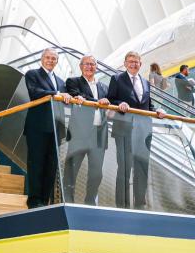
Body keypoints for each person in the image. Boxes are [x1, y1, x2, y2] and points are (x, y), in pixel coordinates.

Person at [107, 51, 166, 209]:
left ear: (140, 64)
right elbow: (111, 98)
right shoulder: (116, 78)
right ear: (125, 63)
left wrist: (157, 111)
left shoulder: (145, 82)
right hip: (124, 128)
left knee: (142, 166)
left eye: (136, 62)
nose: (133, 64)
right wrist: (120, 104)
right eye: (130, 61)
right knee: (125, 168)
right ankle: (122, 204)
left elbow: (147, 105)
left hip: (144, 130)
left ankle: (140, 203)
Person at [23, 48, 70, 208]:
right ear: (42, 59)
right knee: (36, 163)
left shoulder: (62, 82)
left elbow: (66, 99)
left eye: (54, 59)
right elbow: (35, 92)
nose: (51, 60)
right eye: (48, 57)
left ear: (57, 62)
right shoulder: (32, 74)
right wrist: (56, 93)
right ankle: (34, 200)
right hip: (37, 127)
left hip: (56, 128)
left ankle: (45, 200)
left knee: (51, 165)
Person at [63, 55, 110, 205]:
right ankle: (68, 201)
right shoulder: (73, 81)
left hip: (99, 135)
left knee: (97, 173)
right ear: (81, 66)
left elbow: (112, 102)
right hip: (79, 134)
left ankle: (90, 201)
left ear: (96, 67)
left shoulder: (103, 87)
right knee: (72, 170)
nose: (90, 67)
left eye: (92, 64)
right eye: (87, 64)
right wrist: (99, 102)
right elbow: (79, 95)